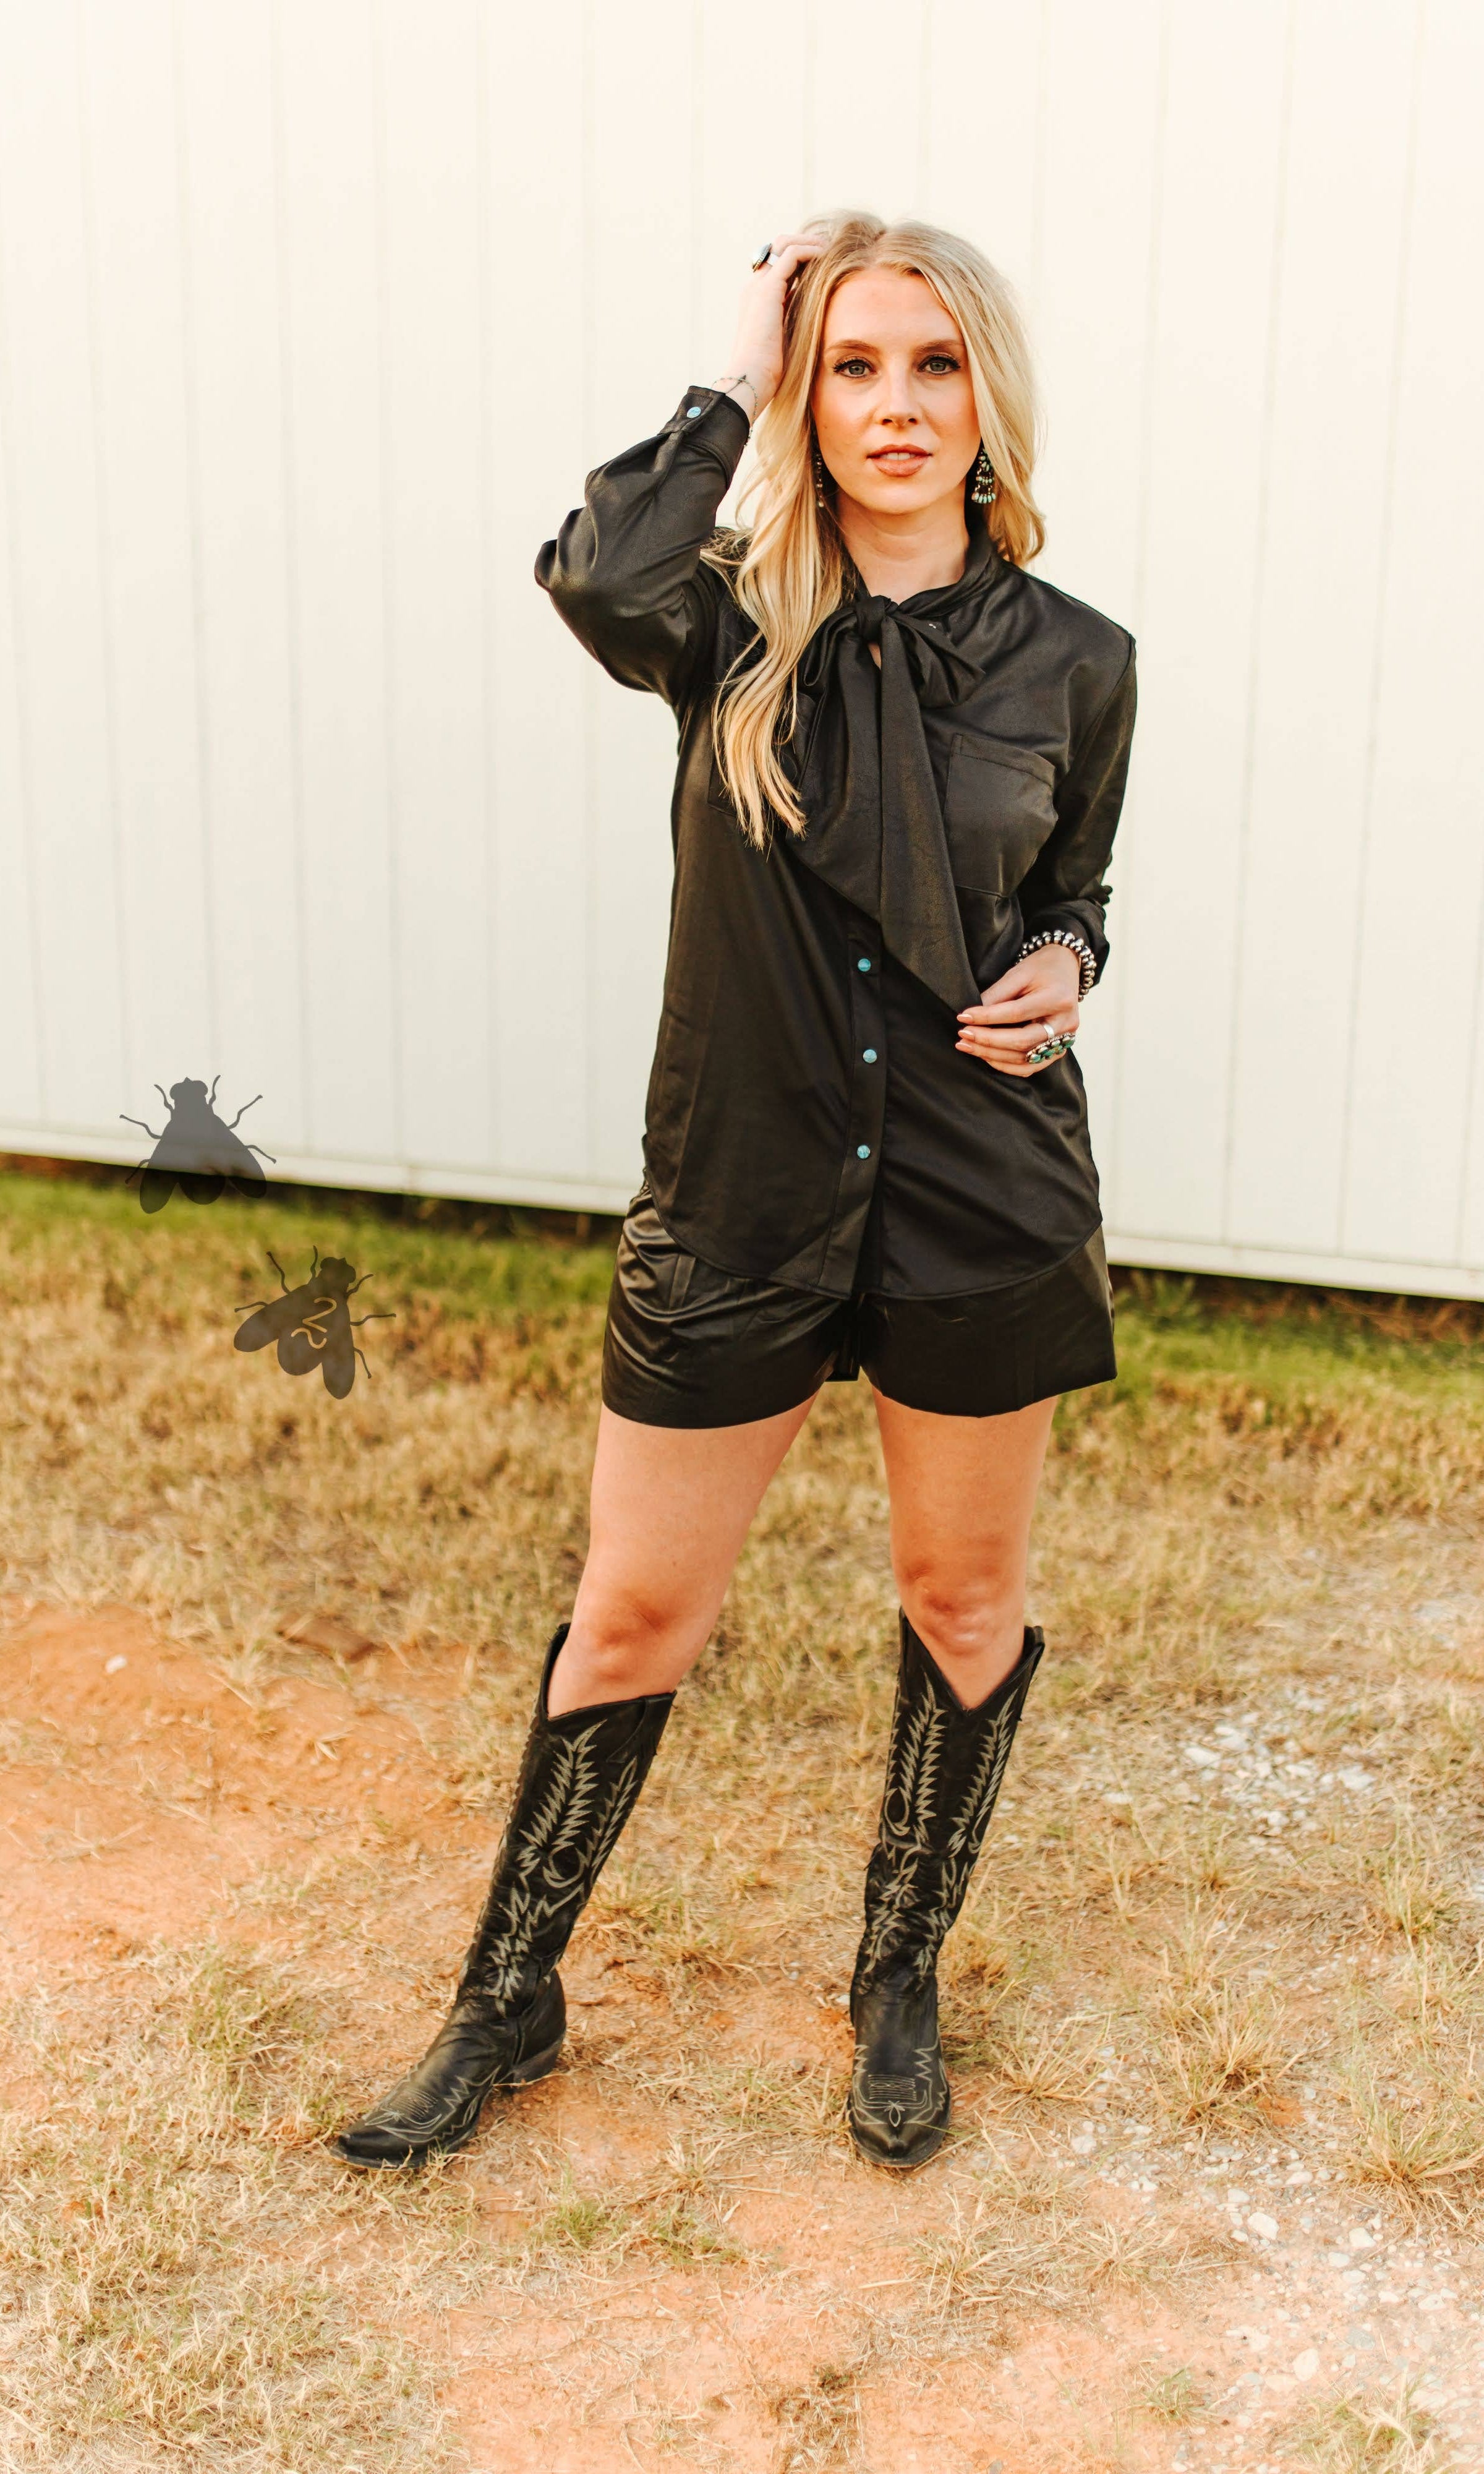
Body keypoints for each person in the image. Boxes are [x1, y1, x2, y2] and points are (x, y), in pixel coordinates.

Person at [335, 212, 1135, 2176]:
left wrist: (1076, 967)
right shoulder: (724, 616)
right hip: (740, 1187)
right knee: (630, 1615)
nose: (894, 405)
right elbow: (590, 569)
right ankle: (506, 1994)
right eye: (853, 364)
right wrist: (731, 365)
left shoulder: (1080, 660)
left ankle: (896, 1977)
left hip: (976, 1193)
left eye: (931, 365)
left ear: (987, 397)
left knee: (962, 1597)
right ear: (806, 384)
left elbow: (1073, 890)